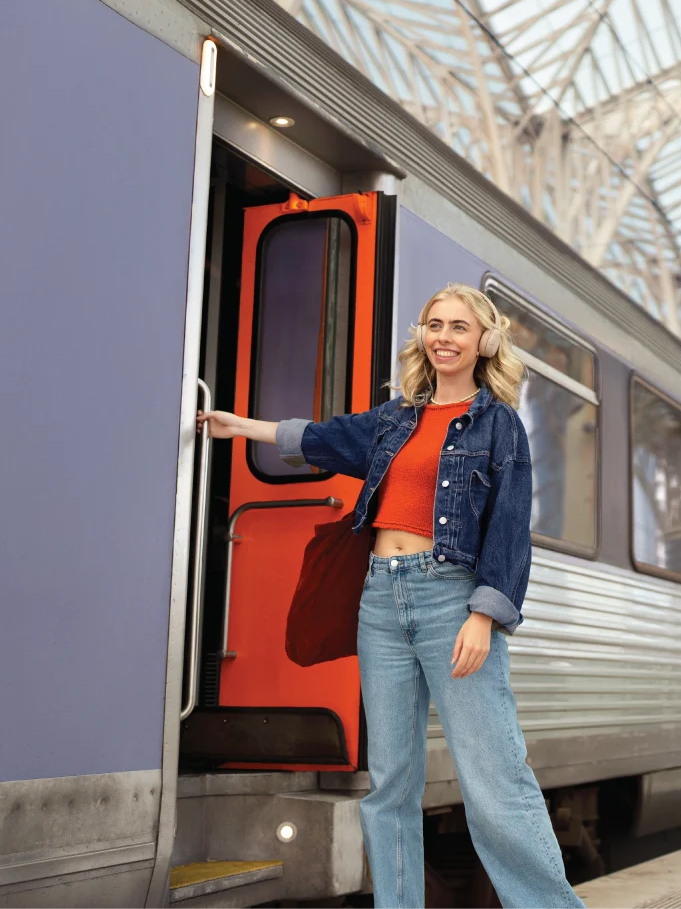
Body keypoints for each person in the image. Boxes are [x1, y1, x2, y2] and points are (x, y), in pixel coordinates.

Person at [199, 285, 586, 909]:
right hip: (381, 601)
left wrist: (484, 616)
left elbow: (510, 529)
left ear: (484, 341)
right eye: (435, 324)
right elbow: (322, 439)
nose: (444, 337)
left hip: (451, 601)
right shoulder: (397, 418)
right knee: (390, 784)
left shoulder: (498, 426)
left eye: (459, 327)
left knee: (495, 780)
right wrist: (238, 426)